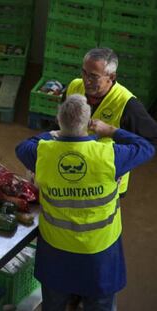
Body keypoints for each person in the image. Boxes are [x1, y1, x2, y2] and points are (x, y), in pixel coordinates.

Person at [16, 94, 155, 311]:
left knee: (53, 304)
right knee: (99, 304)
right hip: (100, 252)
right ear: (88, 122)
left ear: (59, 120)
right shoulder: (109, 155)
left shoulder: (42, 151)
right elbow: (146, 147)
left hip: (56, 250)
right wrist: (111, 131)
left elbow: (23, 146)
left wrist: (53, 134)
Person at [65, 47, 157, 195]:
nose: (86, 81)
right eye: (84, 72)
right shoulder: (74, 87)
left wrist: (123, 163)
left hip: (107, 181)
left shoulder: (128, 105)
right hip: (73, 170)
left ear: (112, 77)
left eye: (94, 76)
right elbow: (60, 122)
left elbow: (151, 140)